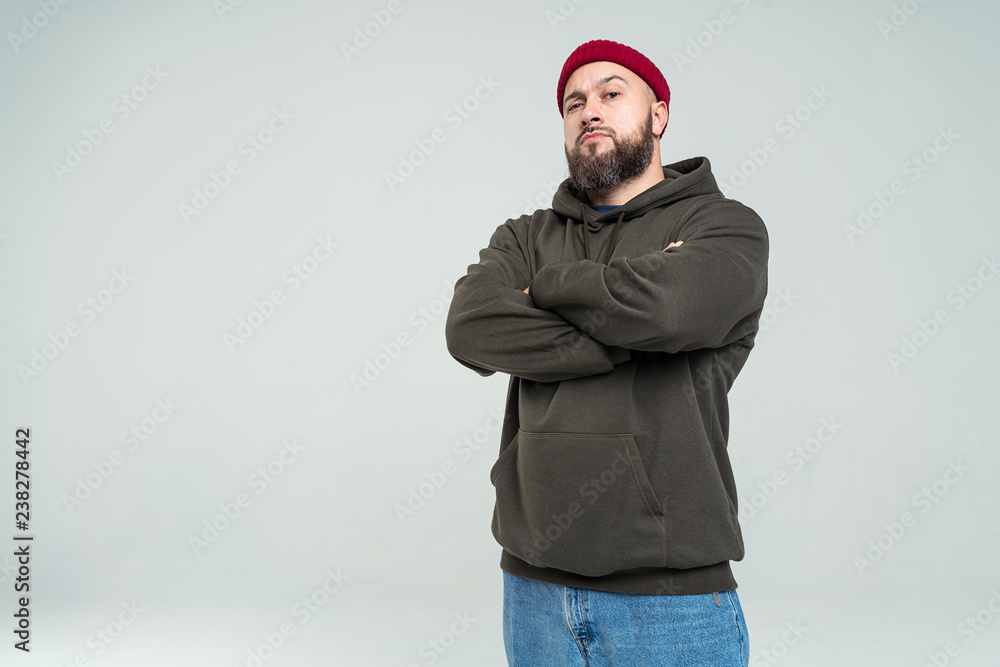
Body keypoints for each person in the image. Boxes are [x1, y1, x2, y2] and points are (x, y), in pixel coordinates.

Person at [444, 39, 768, 666]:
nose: (589, 110)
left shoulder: (724, 227)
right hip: (533, 590)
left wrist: (545, 290)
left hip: (671, 602)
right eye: (574, 103)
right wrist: (626, 333)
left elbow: (669, 310)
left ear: (659, 114)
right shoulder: (526, 235)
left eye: (612, 93)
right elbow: (470, 329)